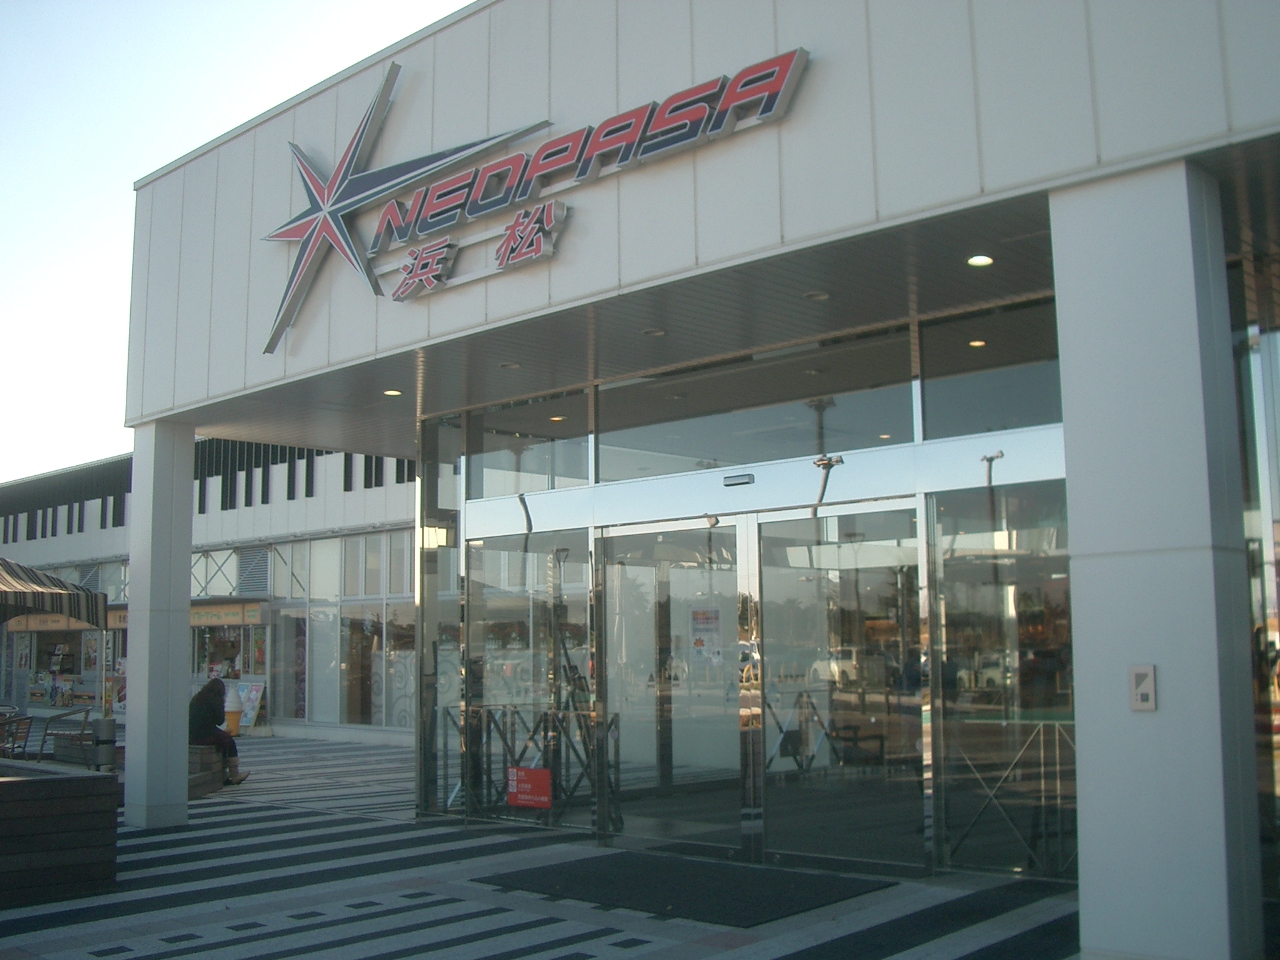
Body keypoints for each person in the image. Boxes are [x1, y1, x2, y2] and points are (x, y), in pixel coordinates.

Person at [189, 678, 249, 785]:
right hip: (205, 735)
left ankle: (224, 774)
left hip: (192, 734)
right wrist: (222, 706)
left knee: (222, 739)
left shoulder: (197, 698)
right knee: (228, 741)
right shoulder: (215, 699)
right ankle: (234, 774)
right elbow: (220, 721)